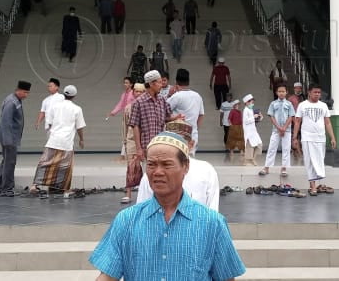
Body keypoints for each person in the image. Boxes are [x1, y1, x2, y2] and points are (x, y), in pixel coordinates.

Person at [89, 132, 246, 281]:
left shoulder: (212, 223)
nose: (157, 172)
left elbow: (226, 278)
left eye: (166, 165)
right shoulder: (126, 221)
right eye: (151, 164)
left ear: (185, 167)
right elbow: (108, 276)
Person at [137, 121, 220, 210]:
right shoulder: (152, 174)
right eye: (168, 141)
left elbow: (213, 208)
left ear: (191, 144)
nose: (173, 146)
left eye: (179, 141)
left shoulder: (206, 170)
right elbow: (142, 208)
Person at [32, 85, 86, 196]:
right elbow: (79, 127)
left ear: (64, 94)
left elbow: (50, 123)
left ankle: (34, 185)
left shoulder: (55, 107)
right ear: (74, 96)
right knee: (65, 167)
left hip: (53, 140)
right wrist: (81, 139)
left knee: (44, 163)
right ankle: (65, 190)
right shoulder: (77, 109)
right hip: (66, 142)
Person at [128, 70, 182, 163]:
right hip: (147, 147)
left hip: (162, 144)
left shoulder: (162, 100)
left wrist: (176, 117)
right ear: (152, 83)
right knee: (148, 174)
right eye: (159, 82)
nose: (162, 85)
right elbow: (135, 126)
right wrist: (139, 149)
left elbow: (166, 118)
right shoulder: (139, 102)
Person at [293, 84, 337, 196]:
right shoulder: (302, 105)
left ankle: (315, 184)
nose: (317, 94)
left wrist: (332, 137)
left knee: (319, 160)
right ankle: (313, 186)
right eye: (315, 92)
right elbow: (297, 121)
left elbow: (327, 122)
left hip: (320, 138)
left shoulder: (323, 106)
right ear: (309, 92)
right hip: (307, 137)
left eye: (319, 92)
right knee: (309, 161)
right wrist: (294, 137)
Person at [0, 81, 30, 196]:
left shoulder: (16, 100)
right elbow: (5, 122)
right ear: (18, 90)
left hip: (11, 137)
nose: (26, 95)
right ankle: (7, 188)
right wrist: (8, 141)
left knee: (6, 161)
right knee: (10, 162)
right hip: (9, 138)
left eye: (28, 93)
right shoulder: (11, 102)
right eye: (25, 92)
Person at [120, 82, 146, 204]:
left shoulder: (147, 107)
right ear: (133, 92)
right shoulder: (128, 108)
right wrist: (124, 140)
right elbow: (125, 125)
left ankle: (145, 193)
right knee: (130, 167)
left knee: (146, 167)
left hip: (145, 140)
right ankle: (128, 194)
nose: (139, 93)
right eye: (136, 91)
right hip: (131, 140)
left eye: (141, 91)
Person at [167, 69, 204, 152]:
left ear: (176, 82)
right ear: (188, 81)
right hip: (193, 134)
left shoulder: (176, 96)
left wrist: (169, 95)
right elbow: (201, 115)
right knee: (191, 160)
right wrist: (195, 129)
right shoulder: (197, 96)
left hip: (178, 134)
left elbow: (163, 111)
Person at [261, 85, 294, 177]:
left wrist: (284, 128)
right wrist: (279, 128)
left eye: (283, 91)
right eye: (279, 91)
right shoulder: (273, 104)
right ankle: (266, 167)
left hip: (286, 130)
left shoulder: (289, 104)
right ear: (276, 93)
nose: (281, 93)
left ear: (286, 92)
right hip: (276, 130)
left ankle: (284, 168)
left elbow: (291, 116)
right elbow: (271, 116)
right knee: (272, 148)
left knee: (286, 149)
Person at [106, 76, 136, 162]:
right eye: (124, 82)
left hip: (133, 117)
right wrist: (113, 112)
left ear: (131, 84)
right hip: (125, 117)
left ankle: (124, 155)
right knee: (125, 135)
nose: (125, 84)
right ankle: (123, 155)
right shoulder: (124, 94)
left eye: (127, 83)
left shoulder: (134, 93)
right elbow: (120, 105)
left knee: (129, 135)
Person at [241, 94, 263, 166]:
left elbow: (254, 120)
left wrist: (259, 118)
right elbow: (246, 121)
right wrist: (254, 117)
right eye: (251, 102)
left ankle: (253, 158)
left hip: (253, 131)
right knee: (249, 147)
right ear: (247, 102)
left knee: (259, 144)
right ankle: (248, 161)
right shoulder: (245, 110)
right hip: (249, 132)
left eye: (253, 102)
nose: (252, 104)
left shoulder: (251, 110)